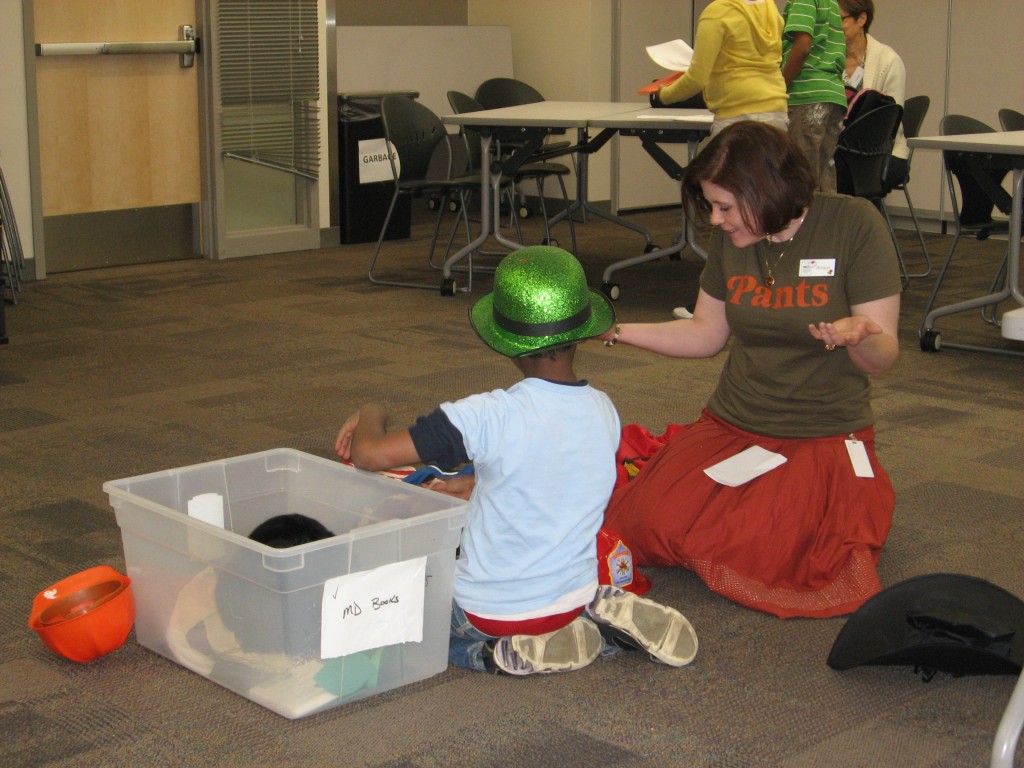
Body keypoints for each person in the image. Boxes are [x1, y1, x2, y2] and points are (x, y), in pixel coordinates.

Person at [335, 246, 698, 676]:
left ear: (506, 343)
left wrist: (371, 410)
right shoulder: (603, 409)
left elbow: (370, 455)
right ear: (582, 333)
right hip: (571, 594)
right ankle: (595, 615)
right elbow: (542, 473)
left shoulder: (487, 415)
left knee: (411, 619)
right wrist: (475, 483)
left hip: (492, 610)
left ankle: (500, 654)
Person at [599, 122, 901, 620]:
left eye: (725, 207)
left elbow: (884, 357)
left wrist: (860, 336)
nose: (716, 220)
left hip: (820, 433)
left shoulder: (853, 223)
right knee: (648, 520)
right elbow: (706, 334)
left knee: (772, 548)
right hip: (733, 424)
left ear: (768, 191)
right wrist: (619, 330)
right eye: (711, 206)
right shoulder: (736, 239)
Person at [653, 0, 789, 136]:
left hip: (736, 115)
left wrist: (664, 95)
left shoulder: (717, 12)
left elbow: (696, 79)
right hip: (776, 110)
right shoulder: (769, 7)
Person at [838, 0, 908, 189]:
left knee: (834, 172)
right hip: (838, 147)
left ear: (861, 19)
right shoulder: (829, 58)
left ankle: (860, 216)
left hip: (879, 149)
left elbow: (890, 121)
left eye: (840, 19)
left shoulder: (889, 61)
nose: (832, 26)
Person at [781, 0, 848, 192]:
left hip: (807, 94)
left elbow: (802, 48)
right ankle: (827, 221)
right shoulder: (832, 3)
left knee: (800, 178)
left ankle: (806, 222)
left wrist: (781, 86)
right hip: (831, 94)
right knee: (823, 173)